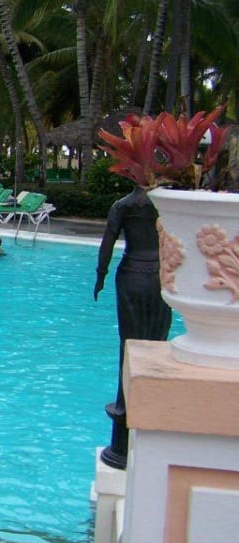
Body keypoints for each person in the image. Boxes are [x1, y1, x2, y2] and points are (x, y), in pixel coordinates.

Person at [94, 186, 172, 469]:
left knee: (128, 346)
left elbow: (106, 246)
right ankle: (147, 412)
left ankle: (124, 418)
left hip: (131, 274)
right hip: (160, 276)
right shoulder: (166, 204)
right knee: (157, 344)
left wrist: (99, 277)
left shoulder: (123, 205)